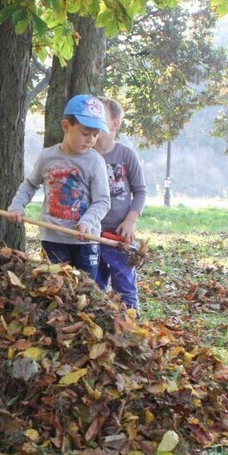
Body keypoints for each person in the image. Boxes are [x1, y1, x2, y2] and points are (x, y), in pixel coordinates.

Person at [7, 94, 110, 278]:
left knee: (86, 292)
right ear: (66, 126)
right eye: (85, 133)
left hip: (86, 242)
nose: (90, 140)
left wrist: (87, 222)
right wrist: (17, 205)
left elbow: (102, 201)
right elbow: (30, 184)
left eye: (95, 135)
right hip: (53, 238)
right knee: (55, 287)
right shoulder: (47, 157)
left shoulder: (96, 161)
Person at [94, 97, 147, 311]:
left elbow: (140, 191)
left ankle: (130, 320)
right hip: (92, 233)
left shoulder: (126, 155)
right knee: (92, 284)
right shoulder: (86, 156)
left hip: (119, 235)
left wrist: (130, 222)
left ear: (115, 123)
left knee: (124, 284)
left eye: (100, 117)